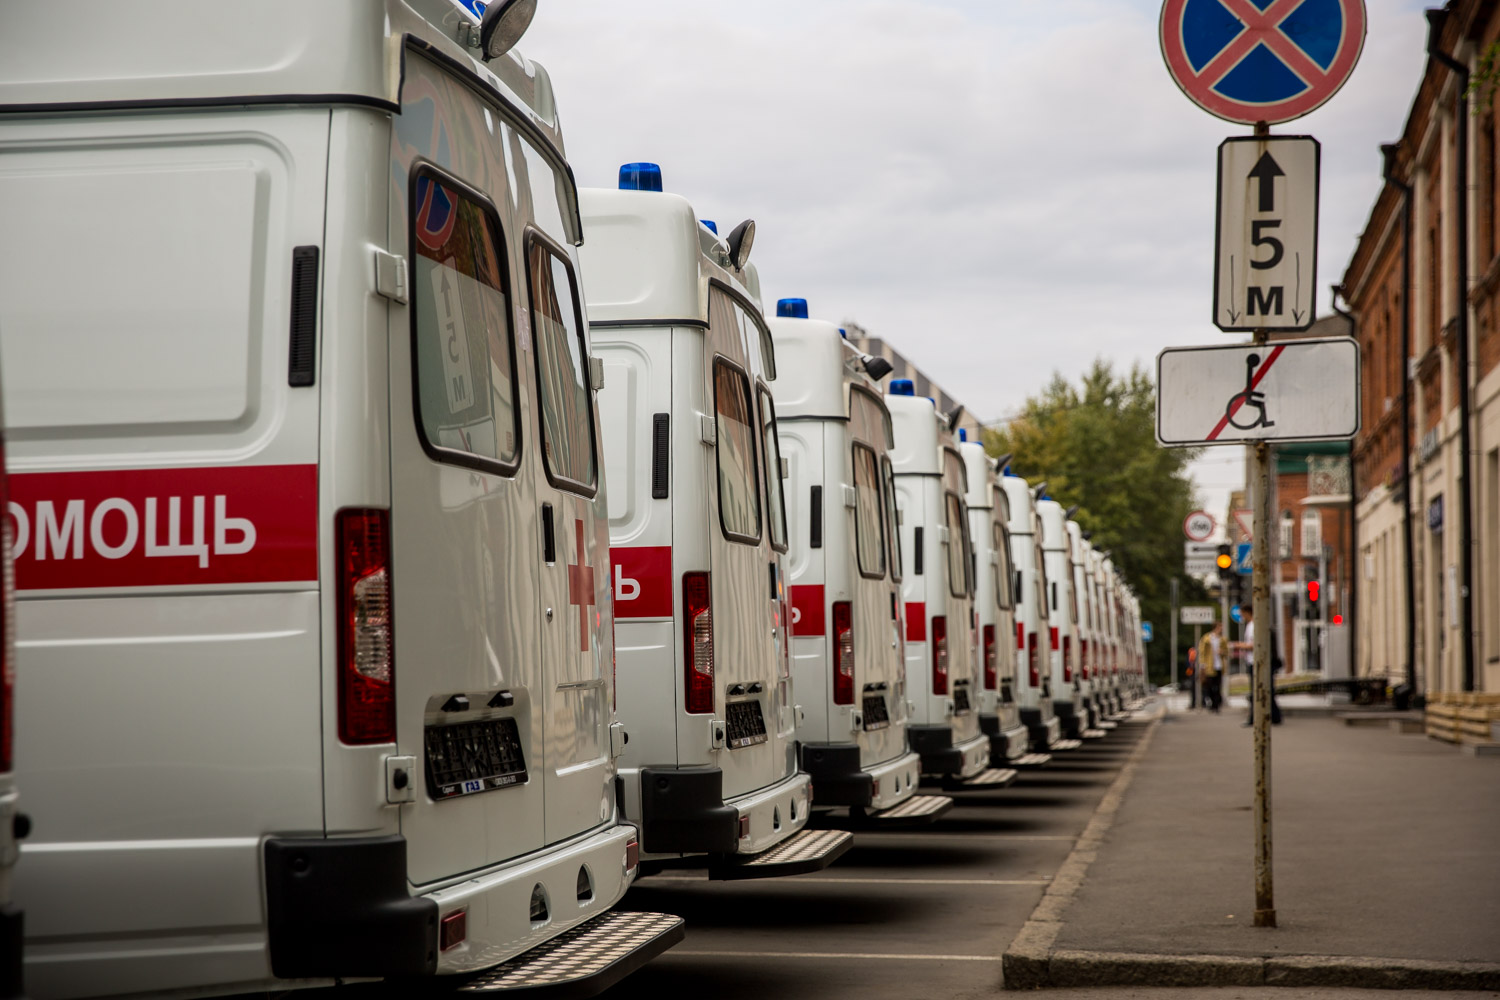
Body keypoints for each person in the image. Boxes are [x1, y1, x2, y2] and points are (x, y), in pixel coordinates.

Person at [1234, 606, 1281, 726]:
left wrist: (1240, 646)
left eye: (1242, 614)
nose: (1241, 617)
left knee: (1258, 690)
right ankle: (1275, 716)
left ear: (1247, 612)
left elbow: (1255, 644)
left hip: (1257, 662)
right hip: (1255, 661)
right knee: (1265, 690)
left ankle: (1255, 718)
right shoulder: (1253, 625)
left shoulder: (1254, 626)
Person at [1196, 623, 1224, 713]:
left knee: (1218, 686)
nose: (1221, 629)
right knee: (1210, 686)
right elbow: (1202, 652)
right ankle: (1212, 703)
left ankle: (1216, 705)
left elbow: (1227, 651)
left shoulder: (1222, 639)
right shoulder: (1207, 639)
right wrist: (1202, 665)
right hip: (1209, 665)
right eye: (1220, 627)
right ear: (1215, 628)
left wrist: (1222, 652)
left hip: (1219, 665)